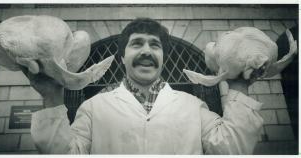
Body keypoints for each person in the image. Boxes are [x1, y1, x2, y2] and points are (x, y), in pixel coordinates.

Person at [28, 18, 263, 154]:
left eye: (155, 45)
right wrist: (51, 96)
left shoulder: (194, 106)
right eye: (137, 44)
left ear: (163, 58)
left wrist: (239, 86)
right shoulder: (93, 108)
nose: (146, 51)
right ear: (122, 57)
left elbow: (233, 150)